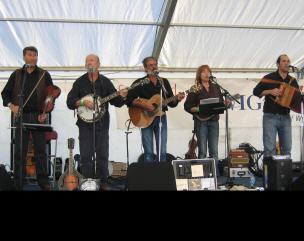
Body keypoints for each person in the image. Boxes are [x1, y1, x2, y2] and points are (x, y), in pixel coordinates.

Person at [66, 54, 127, 190]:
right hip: (84, 125)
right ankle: (88, 182)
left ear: (98, 64)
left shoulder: (105, 82)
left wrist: (122, 96)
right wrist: (83, 102)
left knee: (102, 154)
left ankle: (103, 182)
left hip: (102, 124)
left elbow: (116, 102)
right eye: (87, 61)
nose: (89, 63)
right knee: (86, 155)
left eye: (92, 61)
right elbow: (70, 102)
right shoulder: (79, 82)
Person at [1, 46, 54, 190]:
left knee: (41, 150)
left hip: (38, 116)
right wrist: (12, 106)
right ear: (24, 57)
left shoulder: (44, 74)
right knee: (20, 150)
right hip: (21, 115)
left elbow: (51, 95)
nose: (33, 58)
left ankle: (43, 182)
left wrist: (46, 111)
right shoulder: (17, 74)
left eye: (35, 55)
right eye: (30, 55)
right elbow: (5, 94)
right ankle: (18, 182)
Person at [126, 56, 185, 162]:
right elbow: (129, 100)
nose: (154, 67)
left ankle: (161, 175)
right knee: (148, 152)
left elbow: (171, 103)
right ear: (145, 68)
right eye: (150, 65)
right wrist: (144, 105)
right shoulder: (140, 82)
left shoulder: (163, 82)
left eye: (155, 64)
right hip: (144, 118)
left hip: (161, 118)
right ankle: (150, 176)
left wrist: (177, 99)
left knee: (162, 151)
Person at [253, 54, 299, 157]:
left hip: (285, 117)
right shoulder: (269, 78)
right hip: (270, 116)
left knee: (287, 148)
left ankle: (285, 173)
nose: (286, 63)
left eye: (288, 61)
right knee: (269, 149)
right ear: (278, 64)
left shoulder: (293, 81)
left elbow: (296, 98)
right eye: (283, 61)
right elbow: (256, 91)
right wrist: (270, 91)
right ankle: (270, 173)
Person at [184, 65, 224, 161]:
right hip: (201, 122)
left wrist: (227, 103)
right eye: (203, 72)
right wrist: (199, 109)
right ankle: (201, 175)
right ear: (199, 74)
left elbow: (221, 102)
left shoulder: (216, 87)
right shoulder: (195, 88)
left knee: (214, 150)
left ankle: (215, 175)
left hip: (214, 121)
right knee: (202, 151)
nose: (206, 74)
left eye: (208, 72)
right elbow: (187, 106)